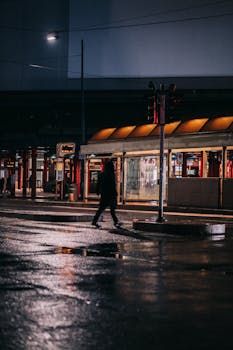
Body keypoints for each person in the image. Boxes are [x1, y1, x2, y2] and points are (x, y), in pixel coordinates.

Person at [92, 160, 122, 229]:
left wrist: (97, 191)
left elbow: (98, 184)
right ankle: (116, 221)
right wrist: (115, 193)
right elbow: (112, 185)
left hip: (104, 194)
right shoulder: (111, 175)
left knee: (101, 209)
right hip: (111, 195)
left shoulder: (101, 174)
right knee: (112, 210)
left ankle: (94, 220)